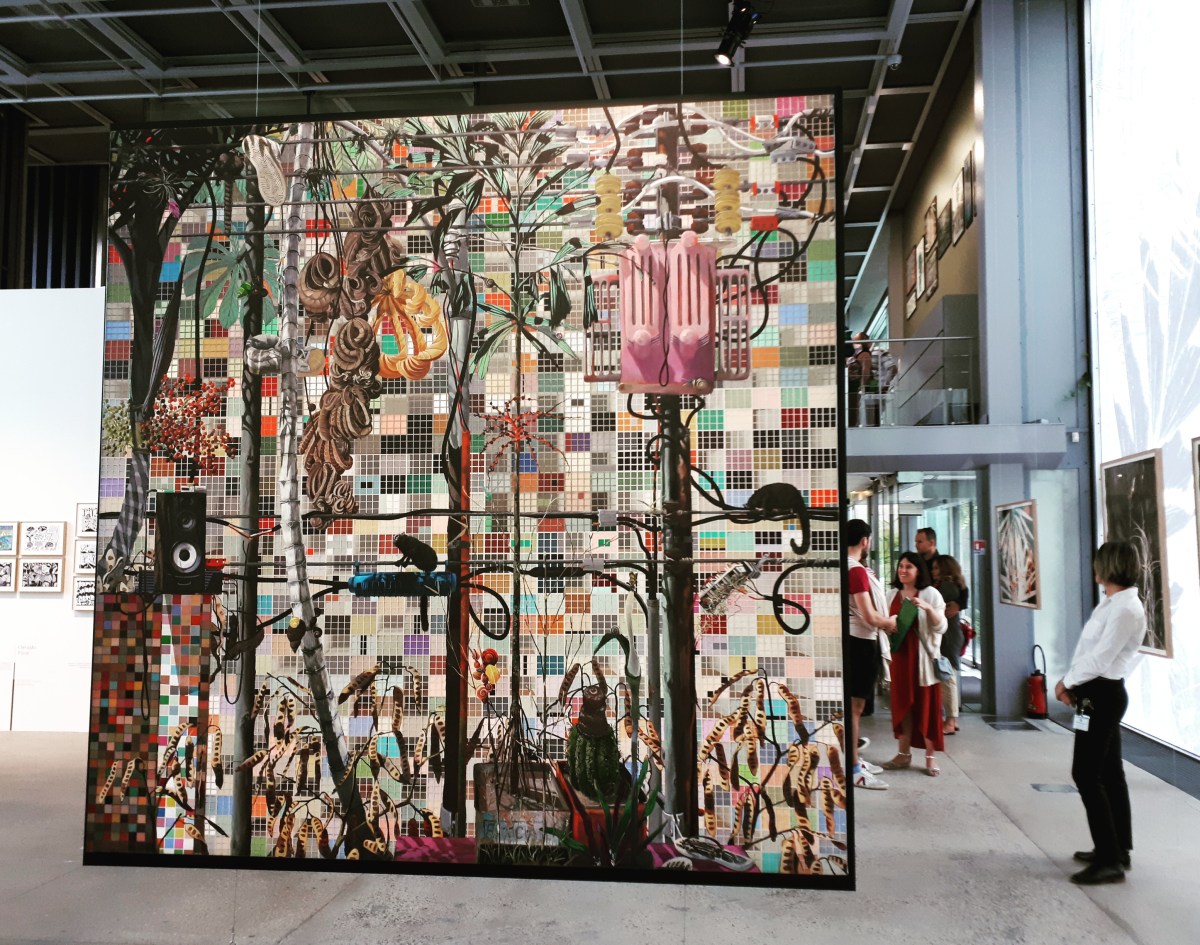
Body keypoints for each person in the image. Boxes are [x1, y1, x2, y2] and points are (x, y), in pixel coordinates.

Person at [1054, 541, 1145, 886]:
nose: (1094, 567)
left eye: (1098, 562)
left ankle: (1110, 860)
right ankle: (1117, 848)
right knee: (1109, 773)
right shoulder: (1113, 603)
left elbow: (1102, 658)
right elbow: (1091, 652)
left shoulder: (1126, 609)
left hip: (1103, 694)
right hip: (1096, 691)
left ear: (1109, 566)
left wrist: (1066, 682)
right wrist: (1076, 684)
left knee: (1086, 773)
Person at [880, 551, 947, 776]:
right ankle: (903, 754)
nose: (903, 570)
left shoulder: (930, 594)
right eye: (901, 566)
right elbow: (884, 625)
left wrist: (927, 608)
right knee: (903, 707)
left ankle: (930, 758)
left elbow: (941, 626)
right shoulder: (891, 595)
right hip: (900, 659)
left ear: (919, 571)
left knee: (927, 707)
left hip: (923, 661)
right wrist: (889, 623)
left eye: (909, 566)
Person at [844, 519, 897, 790]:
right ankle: (853, 768)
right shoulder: (855, 571)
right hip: (861, 642)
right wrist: (890, 623)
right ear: (865, 541)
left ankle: (854, 759)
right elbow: (869, 616)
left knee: (855, 708)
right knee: (854, 709)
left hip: (856, 641)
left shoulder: (850, 567)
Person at [931, 554, 969, 735]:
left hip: (948, 637)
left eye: (936, 568)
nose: (933, 571)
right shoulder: (953, 586)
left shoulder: (946, 587)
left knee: (947, 678)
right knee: (947, 676)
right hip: (950, 636)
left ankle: (951, 720)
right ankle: (951, 718)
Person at [846, 332, 874, 427]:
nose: (853, 342)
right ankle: (852, 424)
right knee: (851, 406)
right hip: (851, 385)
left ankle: (853, 425)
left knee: (853, 407)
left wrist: (862, 386)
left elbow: (865, 372)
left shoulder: (864, 355)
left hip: (856, 386)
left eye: (855, 340)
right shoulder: (855, 354)